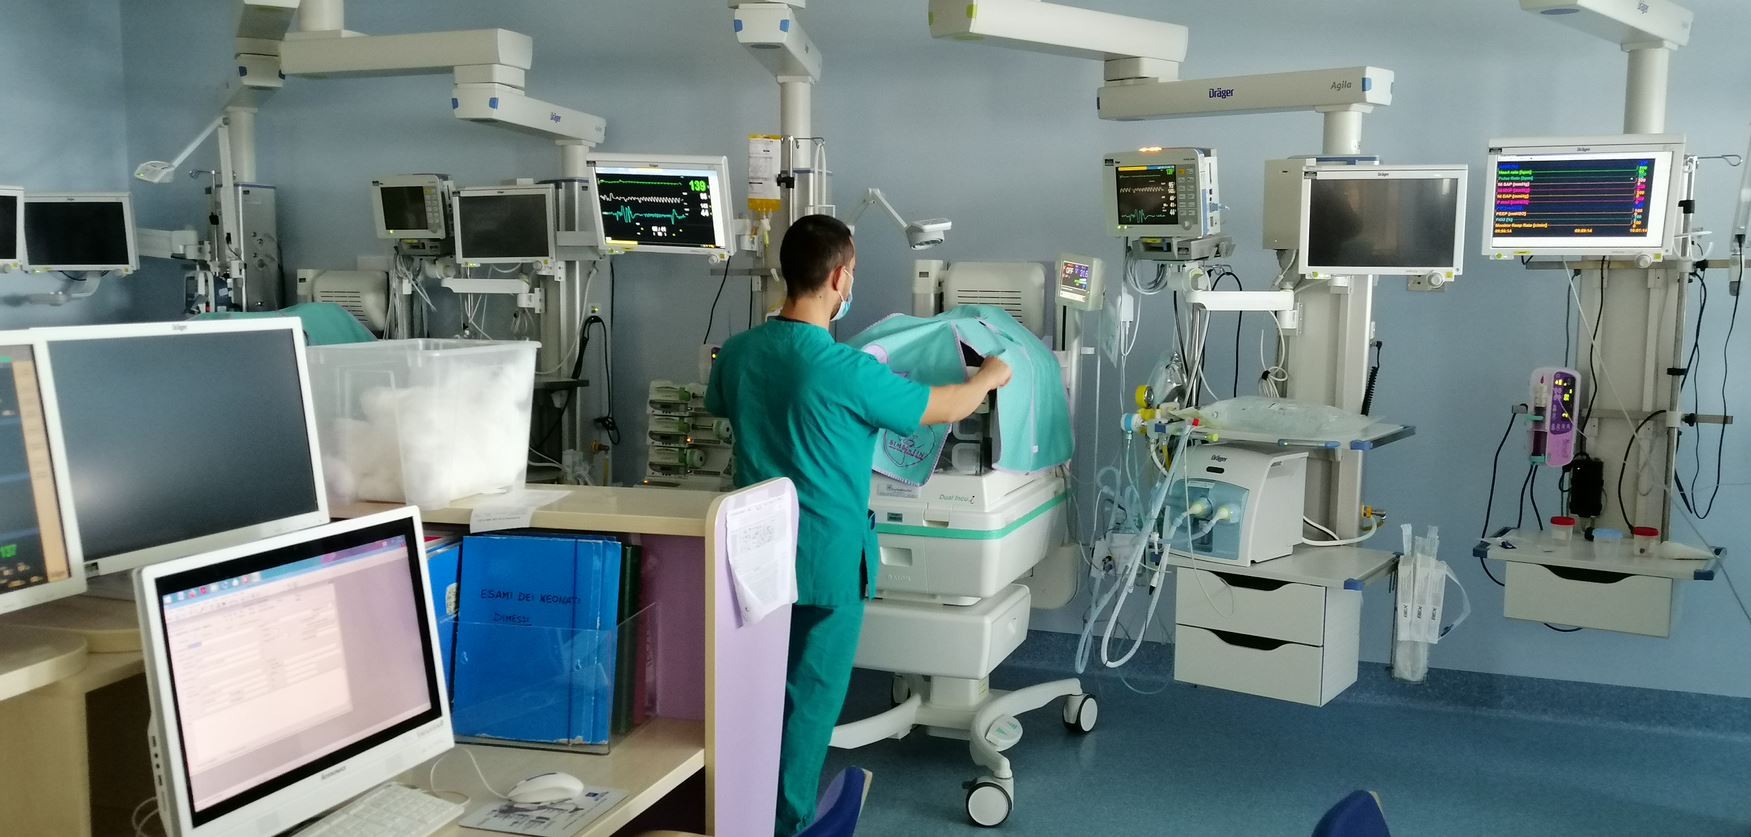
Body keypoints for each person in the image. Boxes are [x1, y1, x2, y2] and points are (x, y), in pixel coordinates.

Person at [706, 215, 1012, 836]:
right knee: (809, 701)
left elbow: (725, 407)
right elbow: (946, 408)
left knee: (753, 692)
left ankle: (732, 808)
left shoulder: (736, 354)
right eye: (853, 274)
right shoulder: (845, 369)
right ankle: (787, 824)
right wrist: (989, 376)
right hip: (825, 559)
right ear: (840, 278)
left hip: (752, 557)